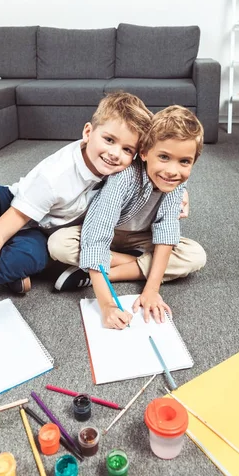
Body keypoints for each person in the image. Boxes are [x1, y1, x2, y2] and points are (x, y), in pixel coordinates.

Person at [0, 92, 153, 337]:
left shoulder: (122, 168)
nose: (116, 153)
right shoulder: (55, 177)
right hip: (12, 205)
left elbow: (165, 148)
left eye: (127, 149)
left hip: (40, 232)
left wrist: (178, 189)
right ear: (88, 132)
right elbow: (0, 232)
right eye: (109, 139)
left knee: (33, 256)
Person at [49, 105, 206, 330]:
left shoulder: (176, 184)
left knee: (195, 256)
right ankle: (131, 262)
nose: (172, 171)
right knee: (59, 244)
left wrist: (151, 290)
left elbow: (166, 230)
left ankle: (99, 274)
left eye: (184, 162)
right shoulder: (124, 178)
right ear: (144, 153)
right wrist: (106, 305)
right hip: (108, 234)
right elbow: (97, 234)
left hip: (142, 238)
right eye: (163, 157)